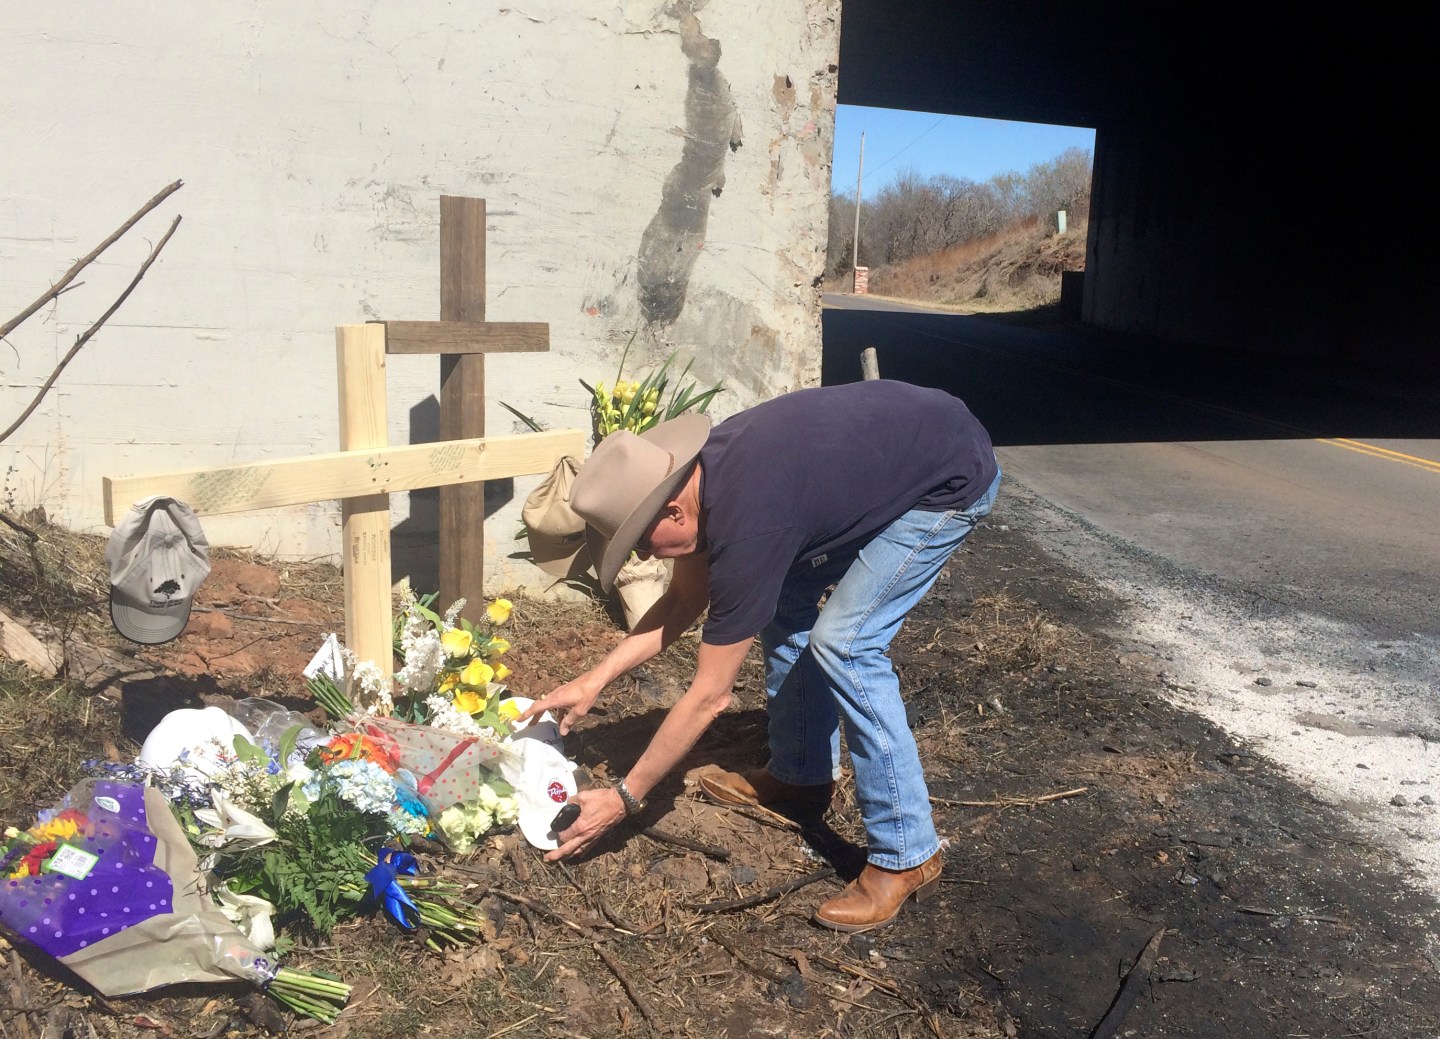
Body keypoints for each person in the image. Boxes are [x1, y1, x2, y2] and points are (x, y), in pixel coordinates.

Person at [519, 378, 1001, 933]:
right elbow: (681, 601)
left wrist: (626, 797)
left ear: (673, 509)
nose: (646, 556)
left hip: (947, 476)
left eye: (644, 542)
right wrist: (594, 679)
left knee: (847, 644)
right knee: (785, 601)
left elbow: (709, 696)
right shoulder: (700, 490)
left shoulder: (747, 526)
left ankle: (909, 852)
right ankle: (802, 777)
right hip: (901, 447)